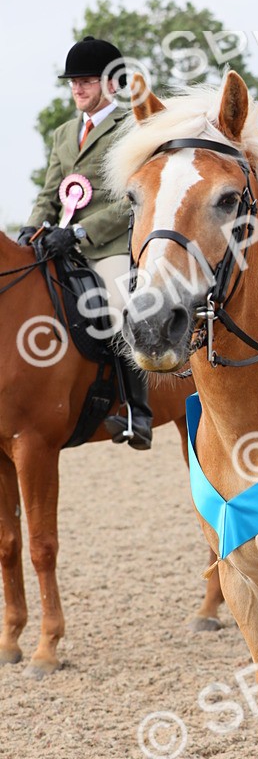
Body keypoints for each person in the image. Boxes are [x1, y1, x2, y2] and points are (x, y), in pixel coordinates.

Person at [19, 36, 152, 450]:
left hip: (107, 245)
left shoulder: (130, 127)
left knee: (117, 305)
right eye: (73, 82)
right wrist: (29, 231)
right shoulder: (64, 133)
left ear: (112, 83)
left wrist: (79, 232)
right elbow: (50, 193)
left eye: (86, 81)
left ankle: (136, 411)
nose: (77, 88)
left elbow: (131, 199)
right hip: (58, 242)